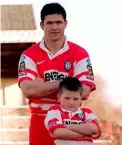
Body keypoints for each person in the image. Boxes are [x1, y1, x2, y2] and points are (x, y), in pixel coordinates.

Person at [18, 2, 96, 145]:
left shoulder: (80, 54)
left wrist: (42, 85)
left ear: (65, 24)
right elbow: (28, 90)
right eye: (50, 23)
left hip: (73, 120)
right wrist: (67, 82)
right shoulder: (28, 55)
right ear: (42, 25)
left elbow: (84, 92)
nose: (55, 27)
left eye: (59, 22)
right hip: (39, 120)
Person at [45, 77, 101, 145]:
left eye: (75, 99)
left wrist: (66, 126)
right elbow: (57, 132)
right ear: (59, 97)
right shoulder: (54, 111)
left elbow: (94, 129)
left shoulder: (87, 112)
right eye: (67, 98)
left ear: (81, 99)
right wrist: (85, 133)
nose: (71, 102)